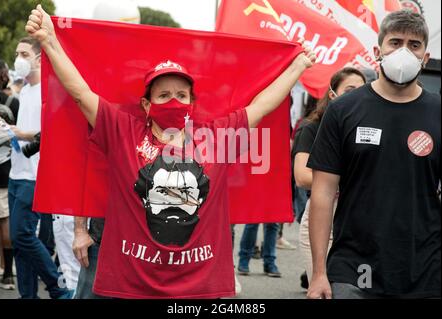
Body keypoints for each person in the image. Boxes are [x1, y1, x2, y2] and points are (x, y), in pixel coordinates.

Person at [26, 4, 316, 298]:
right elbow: (79, 92)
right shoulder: (123, 131)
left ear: (192, 103)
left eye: (181, 95)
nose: (173, 101)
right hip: (130, 284)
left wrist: (299, 65)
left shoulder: (215, 137)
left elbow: (263, 105)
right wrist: (49, 41)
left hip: (195, 287)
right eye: (163, 95)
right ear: (146, 105)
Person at [307, 10, 440, 299]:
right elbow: (323, 193)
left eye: (414, 45)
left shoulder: (439, 113)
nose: (404, 51)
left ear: (425, 57)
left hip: (426, 271)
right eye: (396, 42)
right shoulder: (343, 110)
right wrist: (318, 273)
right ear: (378, 51)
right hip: (352, 268)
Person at [6, 37, 71, 299]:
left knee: (22, 235)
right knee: (19, 244)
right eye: (17, 53)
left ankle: (58, 288)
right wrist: (8, 131)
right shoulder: (24, 90)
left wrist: (22, 134)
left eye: (24, 53)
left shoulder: (50, 88)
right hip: (15, 172)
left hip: (34, 175)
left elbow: (54, 130)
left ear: (39, 58)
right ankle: (28, 295)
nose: (18, 59)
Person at [293, 67, 366, 291]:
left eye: (361, 91)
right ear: (332, 94)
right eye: (349, 90)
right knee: (327, 288)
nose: (356, 96)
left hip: (357, 221)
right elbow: (302, 177)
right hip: (323, 216)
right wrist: (344, 180)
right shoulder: (312, 128)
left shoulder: (365, 130)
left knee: (352, 290)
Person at [0, 57, 20, 290]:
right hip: (5, 168)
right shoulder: (13, 101)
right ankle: (7, 273)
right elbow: (20, 136)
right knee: (3, 220)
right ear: (3, 75)